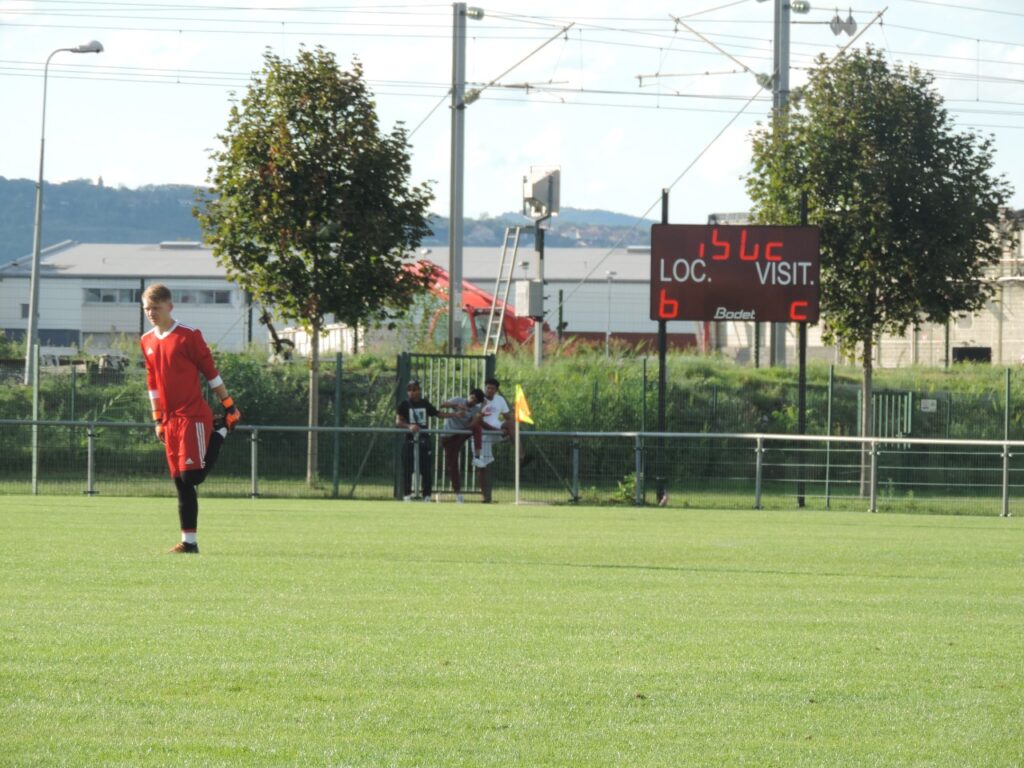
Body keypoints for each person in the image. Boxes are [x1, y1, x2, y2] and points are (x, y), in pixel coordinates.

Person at [140, 283, 241, 554]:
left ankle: (220, 431)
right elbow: (152, 383)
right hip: (170, 420)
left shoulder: (188, 336)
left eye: (155, 308)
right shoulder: (147, 340)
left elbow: (211, 373)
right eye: (147, 308)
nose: (151, 313)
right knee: (181, 483)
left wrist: (229, 405)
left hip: (193, 416)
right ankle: (189, 543)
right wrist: (158, 419)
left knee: (192, 477)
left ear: (169, 306)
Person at [395, 379, 441, 502]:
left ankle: (426, 496)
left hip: (424, 441)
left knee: (426, 470)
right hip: (409, 440)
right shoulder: (404, 404)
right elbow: (398, 421)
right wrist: (409, 426)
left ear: (419, 390)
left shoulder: (425, 403)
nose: (412, 392)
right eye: (409, 390)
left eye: (414, 389)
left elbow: (438, 414)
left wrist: (456, 415)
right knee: (407, 468)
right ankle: (407, 495)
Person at [439, 388, 485, 503]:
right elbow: (442, 405)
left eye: (475, 401)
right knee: (453, 464)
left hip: (462, 433)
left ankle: (477, 456)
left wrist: (477, 416)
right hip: (449, 436)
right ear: (469, 395)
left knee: (477, 426)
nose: (472, 401)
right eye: (472, 397)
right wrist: (456, 406)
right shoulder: (458, 400)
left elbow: (473, 425)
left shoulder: (476, 409)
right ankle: (458, 493)